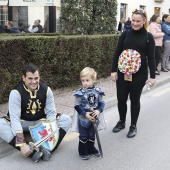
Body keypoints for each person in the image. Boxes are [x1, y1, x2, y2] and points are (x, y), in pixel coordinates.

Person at [0, 64, 72, 162]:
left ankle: (48, 149)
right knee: (1, 124)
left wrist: (49, 131)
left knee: (66, 119)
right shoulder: (16, 93)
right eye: (30, 78)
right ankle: (32, 153)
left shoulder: (46, 90)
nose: (34, 82)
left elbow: (51, 113)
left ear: (39, 77)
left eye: (36, 78)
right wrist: (21, 143)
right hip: (22, 123)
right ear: (23, 78)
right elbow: (15, 119)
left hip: (40, 122)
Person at [111, 9, 156, 138]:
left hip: (139, 74)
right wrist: (113, 70)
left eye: (138, 21)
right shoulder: (125, 34)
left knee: (134, 100)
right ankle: (121, 122)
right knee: (121, 99)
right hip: (122, 72)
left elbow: (152, 58)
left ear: (144, 21)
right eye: (133, 21)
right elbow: (117, 53)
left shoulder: (148, 37)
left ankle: (133, 125)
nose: (135, 24)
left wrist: (152, 76)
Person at [71, 67, 105, 160]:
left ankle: (91, 148)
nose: (84, 83)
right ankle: (82, 151)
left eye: (87, 80)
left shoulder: (98, 91)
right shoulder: (80, 93)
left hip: (94, 117)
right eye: (82, 80)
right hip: (84, 118)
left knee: (92, 134)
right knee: (83, 136)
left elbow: (102, 103)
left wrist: (98, 110)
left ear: (93, 79)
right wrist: (85, 114)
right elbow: (77, 106)